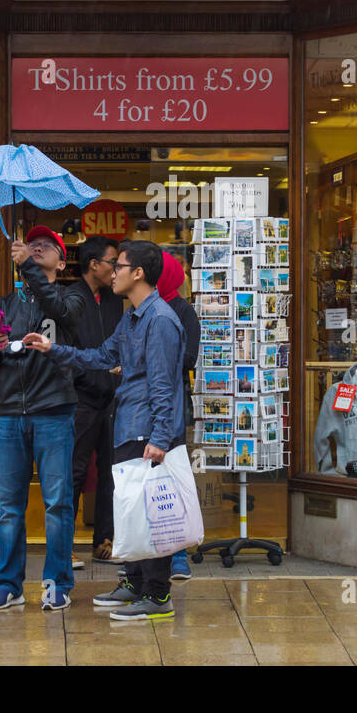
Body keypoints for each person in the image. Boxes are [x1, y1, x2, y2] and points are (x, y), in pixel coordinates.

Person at [23, 240, 186, 622]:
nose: (114, 272)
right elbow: (101, 357)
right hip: (128, 423)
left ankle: (158, 594)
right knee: (130, 510)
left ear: (139, 273)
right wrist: (53, 349)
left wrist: (161, 437)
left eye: (121, 266)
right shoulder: (131, 317)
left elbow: (164, 384)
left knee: (151, 512)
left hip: (148, 430)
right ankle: (134, 583)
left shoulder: (160, 320)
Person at [0, 226, 86, 612]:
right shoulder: (4, 304)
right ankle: (9, 583)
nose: (37, 248)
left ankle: (58, 582)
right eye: (32, 244)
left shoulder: (72, 298)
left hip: (54, 411)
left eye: (47, 246)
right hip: (9, 415)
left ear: (61, 260)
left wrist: (28, 268)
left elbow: (57, 310)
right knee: (8, 506)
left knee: (58, 503)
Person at [68, 236, 123, 565]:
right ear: (93, 264)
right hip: (81, 398)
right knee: (73, 472)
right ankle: (65, 544)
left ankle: (104, 540)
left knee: (111, 472)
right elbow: (68, 352)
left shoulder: (115, 299)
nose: (117, 270)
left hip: (112, 398)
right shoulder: (71, 299)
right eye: (113, 262)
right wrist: (93, 374)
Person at [157, 250, 199, 583]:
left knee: (173, 474)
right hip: (144, 404)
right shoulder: (137, 309)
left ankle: (179, 555)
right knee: (148, 477)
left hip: (171, 403)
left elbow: (189, 359)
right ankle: (151, 550)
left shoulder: (183, 312)